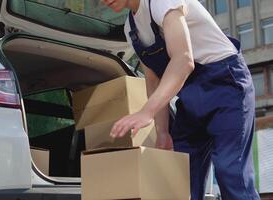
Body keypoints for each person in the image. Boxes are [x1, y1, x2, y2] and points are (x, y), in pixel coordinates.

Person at [104, 0, 261, 199]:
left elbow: (183, 60)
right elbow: (153, 81)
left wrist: (146, 112)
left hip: (225, 85)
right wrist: (162, 131)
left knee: (229, 168)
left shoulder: (161, 2)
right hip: (189, 96)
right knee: (181, 173)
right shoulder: (131, 28)